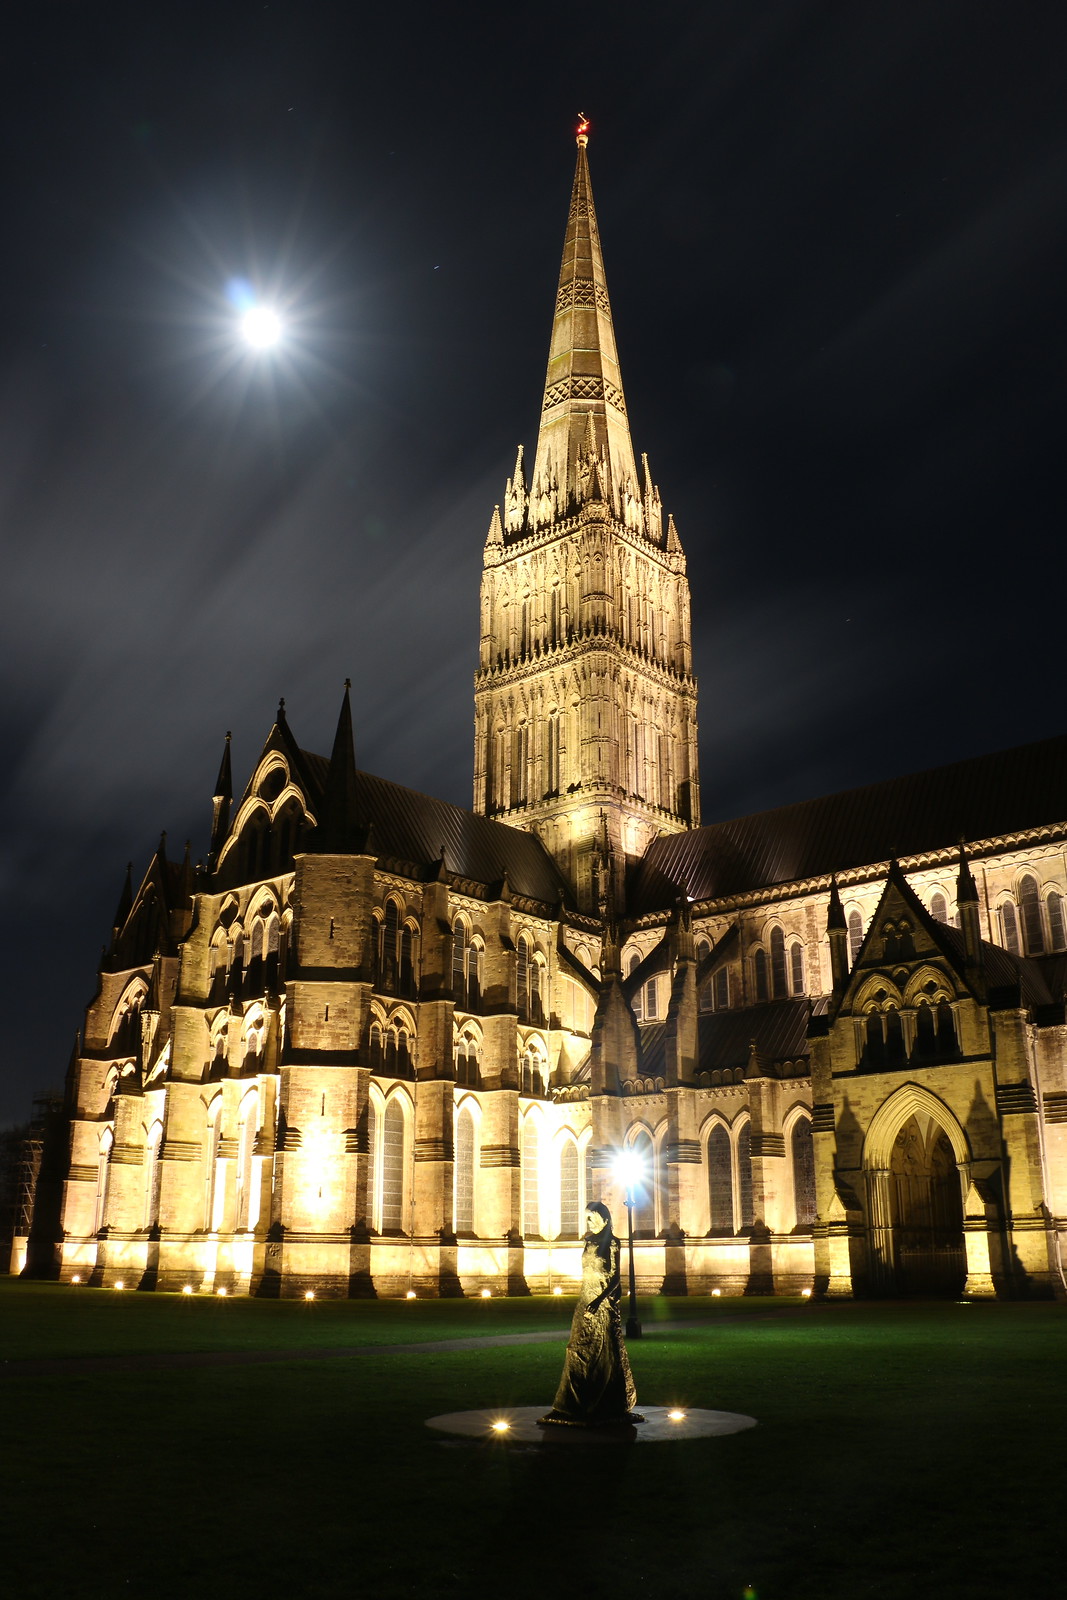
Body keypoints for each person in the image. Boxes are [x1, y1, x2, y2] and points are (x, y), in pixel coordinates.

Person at [539, 1200, 640, 1427]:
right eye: (586, 1218)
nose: (588, 1222)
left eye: (592, 1217)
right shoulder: (588, 1242)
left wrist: (599, 1301)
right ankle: (570, 1405)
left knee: (607, 1351)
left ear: (605, 1219)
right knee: (576, 1350)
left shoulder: (613, 1243)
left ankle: (609, 1403)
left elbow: (615, 1279)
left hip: (603, 1304)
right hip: (586, 1299)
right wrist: (589, 1299)